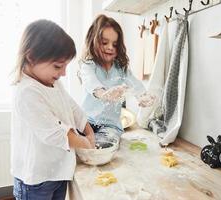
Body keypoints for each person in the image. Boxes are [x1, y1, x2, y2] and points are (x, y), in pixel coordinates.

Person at [11, 19, 95, 200]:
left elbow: (72, 107)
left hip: (58, 172)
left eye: (65, 66)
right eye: (58, 66)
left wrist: (89, 130)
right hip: (35, 180)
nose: (63, 73)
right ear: (32, 56)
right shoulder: (27, 92)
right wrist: (86, 144)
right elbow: (54, 133)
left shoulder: (54, 83)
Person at [79, 14, 155, 144]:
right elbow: (90, 82)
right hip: (86, 122)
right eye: (104, 43)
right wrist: (103, 94)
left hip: (110, 126)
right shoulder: (88, 65)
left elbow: (134, 83)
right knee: (74, 141)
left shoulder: (121, 68)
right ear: (93, 41)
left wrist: (143, 96)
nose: (110, 47)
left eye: (115, 44)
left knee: (103, 145)